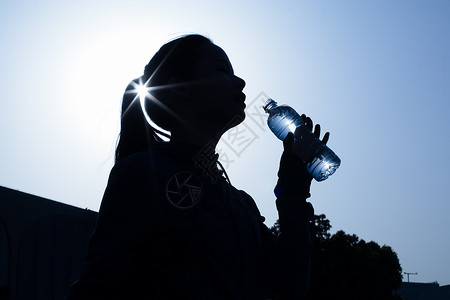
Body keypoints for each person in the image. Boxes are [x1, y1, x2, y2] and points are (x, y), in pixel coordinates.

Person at [66, 34, 330, 300]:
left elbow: (290, 283)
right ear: (181, 87)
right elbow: (96, 287)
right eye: (220, 70)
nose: (240, 81)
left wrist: (294, 190)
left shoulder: (241, 204)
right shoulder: (142, 174)